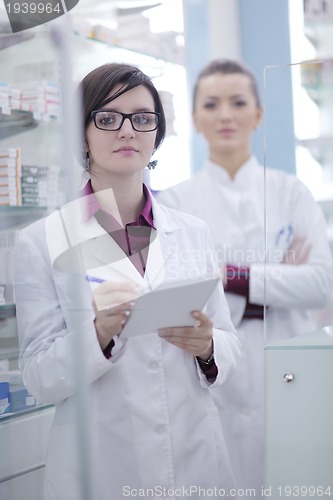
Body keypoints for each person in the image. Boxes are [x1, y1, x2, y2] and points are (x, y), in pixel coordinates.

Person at [14, 62, 242, 500]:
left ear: (156, 133)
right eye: (107, 118)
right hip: (101, 466)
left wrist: (208, 348)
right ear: (81, 134)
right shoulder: (40, 241)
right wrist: (96, 335)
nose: (127, 131)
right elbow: (39, 376)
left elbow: (229, 342)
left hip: (195, 458)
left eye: (142, 118)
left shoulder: (192, 231)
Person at [156, 59, 333, 496]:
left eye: (238, 102)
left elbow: (321, 284)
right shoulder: (176, 203)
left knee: (299, 480)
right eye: (211, 104)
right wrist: (275, 283)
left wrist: (228, 276)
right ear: (196, 118)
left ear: (258, 113)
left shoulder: (290, 191)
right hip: (215, 379)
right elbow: (179, 301)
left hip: (294, 369)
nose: (225, 115)